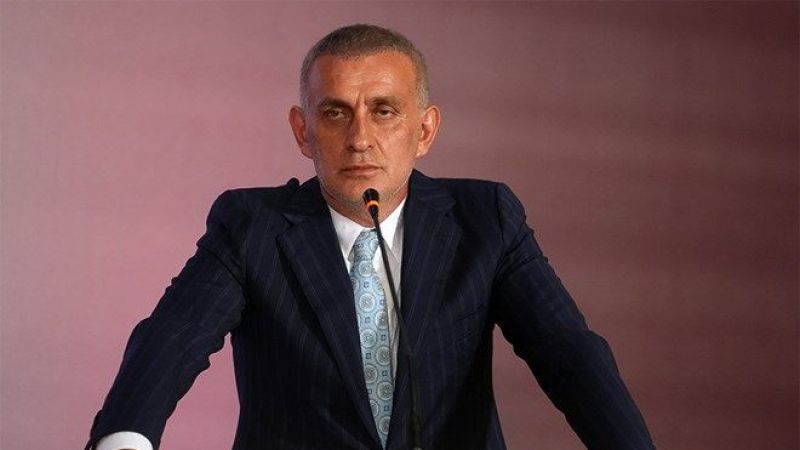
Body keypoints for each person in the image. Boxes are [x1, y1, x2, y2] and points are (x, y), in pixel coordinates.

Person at [86, 24, 655, 450]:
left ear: (424, 130)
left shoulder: (486, 219)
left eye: (383, 111)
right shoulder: (250, 225)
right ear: (303, 131)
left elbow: (565, 349)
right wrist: (124, 441)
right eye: (336, 113)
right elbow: (172, 339)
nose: (360, 138)